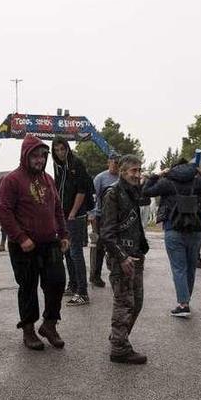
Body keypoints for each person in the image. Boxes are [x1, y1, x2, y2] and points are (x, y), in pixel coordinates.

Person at [0, 135, 69, 350]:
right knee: (27, 287)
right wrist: (21, 237)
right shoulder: (12, 180)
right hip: (23, 246)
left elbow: (57, 209)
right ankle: (28, 329)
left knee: (57, 282)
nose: (39, 160)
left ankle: (49, 324)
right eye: (35, 156)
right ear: (25, 155)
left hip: (49, 243)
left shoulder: (48, 179)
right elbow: (4, 211)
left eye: (43, 156)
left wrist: (64, 234)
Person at [143, 158, 201, 318]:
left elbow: (146, 191)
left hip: (173, 228)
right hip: (196, 229)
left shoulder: (166, 182)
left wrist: (158, 174)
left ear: (173, 168)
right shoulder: (197, 181)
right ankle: (186, 300)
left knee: (179, 267)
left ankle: (183, 304)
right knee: (191, 266)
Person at [100, 154, 150, 364]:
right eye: (133, 171)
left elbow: (150, 193)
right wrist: (121, 257)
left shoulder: (134, 191)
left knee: (136, 302)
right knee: (124, 302)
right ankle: (119, 348)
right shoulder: (113, 194)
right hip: (122, 257)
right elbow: (107, 233)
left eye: (139, 170)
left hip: (136, 255)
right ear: (122, 172)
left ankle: (119, 337)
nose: (137, 175)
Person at [52, 136, 93, 306]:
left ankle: (82, 292)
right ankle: (73, 284)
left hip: (75, 216)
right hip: (63, 215)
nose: (60, 152)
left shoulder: (76, 163)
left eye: (63, 149)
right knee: (67, 251)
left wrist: (73, 212)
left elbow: (82, 191)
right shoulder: (58, 167)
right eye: (57, 149)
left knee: (76, 253)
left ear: (67, 148)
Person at [88, 151, 120, 287]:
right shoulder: (100, 178)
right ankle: (95, 276)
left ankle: (116, 275)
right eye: (113, 162)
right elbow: (92, 198)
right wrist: (92, 215)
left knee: (115, 246)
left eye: (118, 162)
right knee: (98, 247)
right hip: (99, 217)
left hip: (116, 218)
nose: (116, 165)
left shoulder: (121, 178)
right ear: (109, 162)